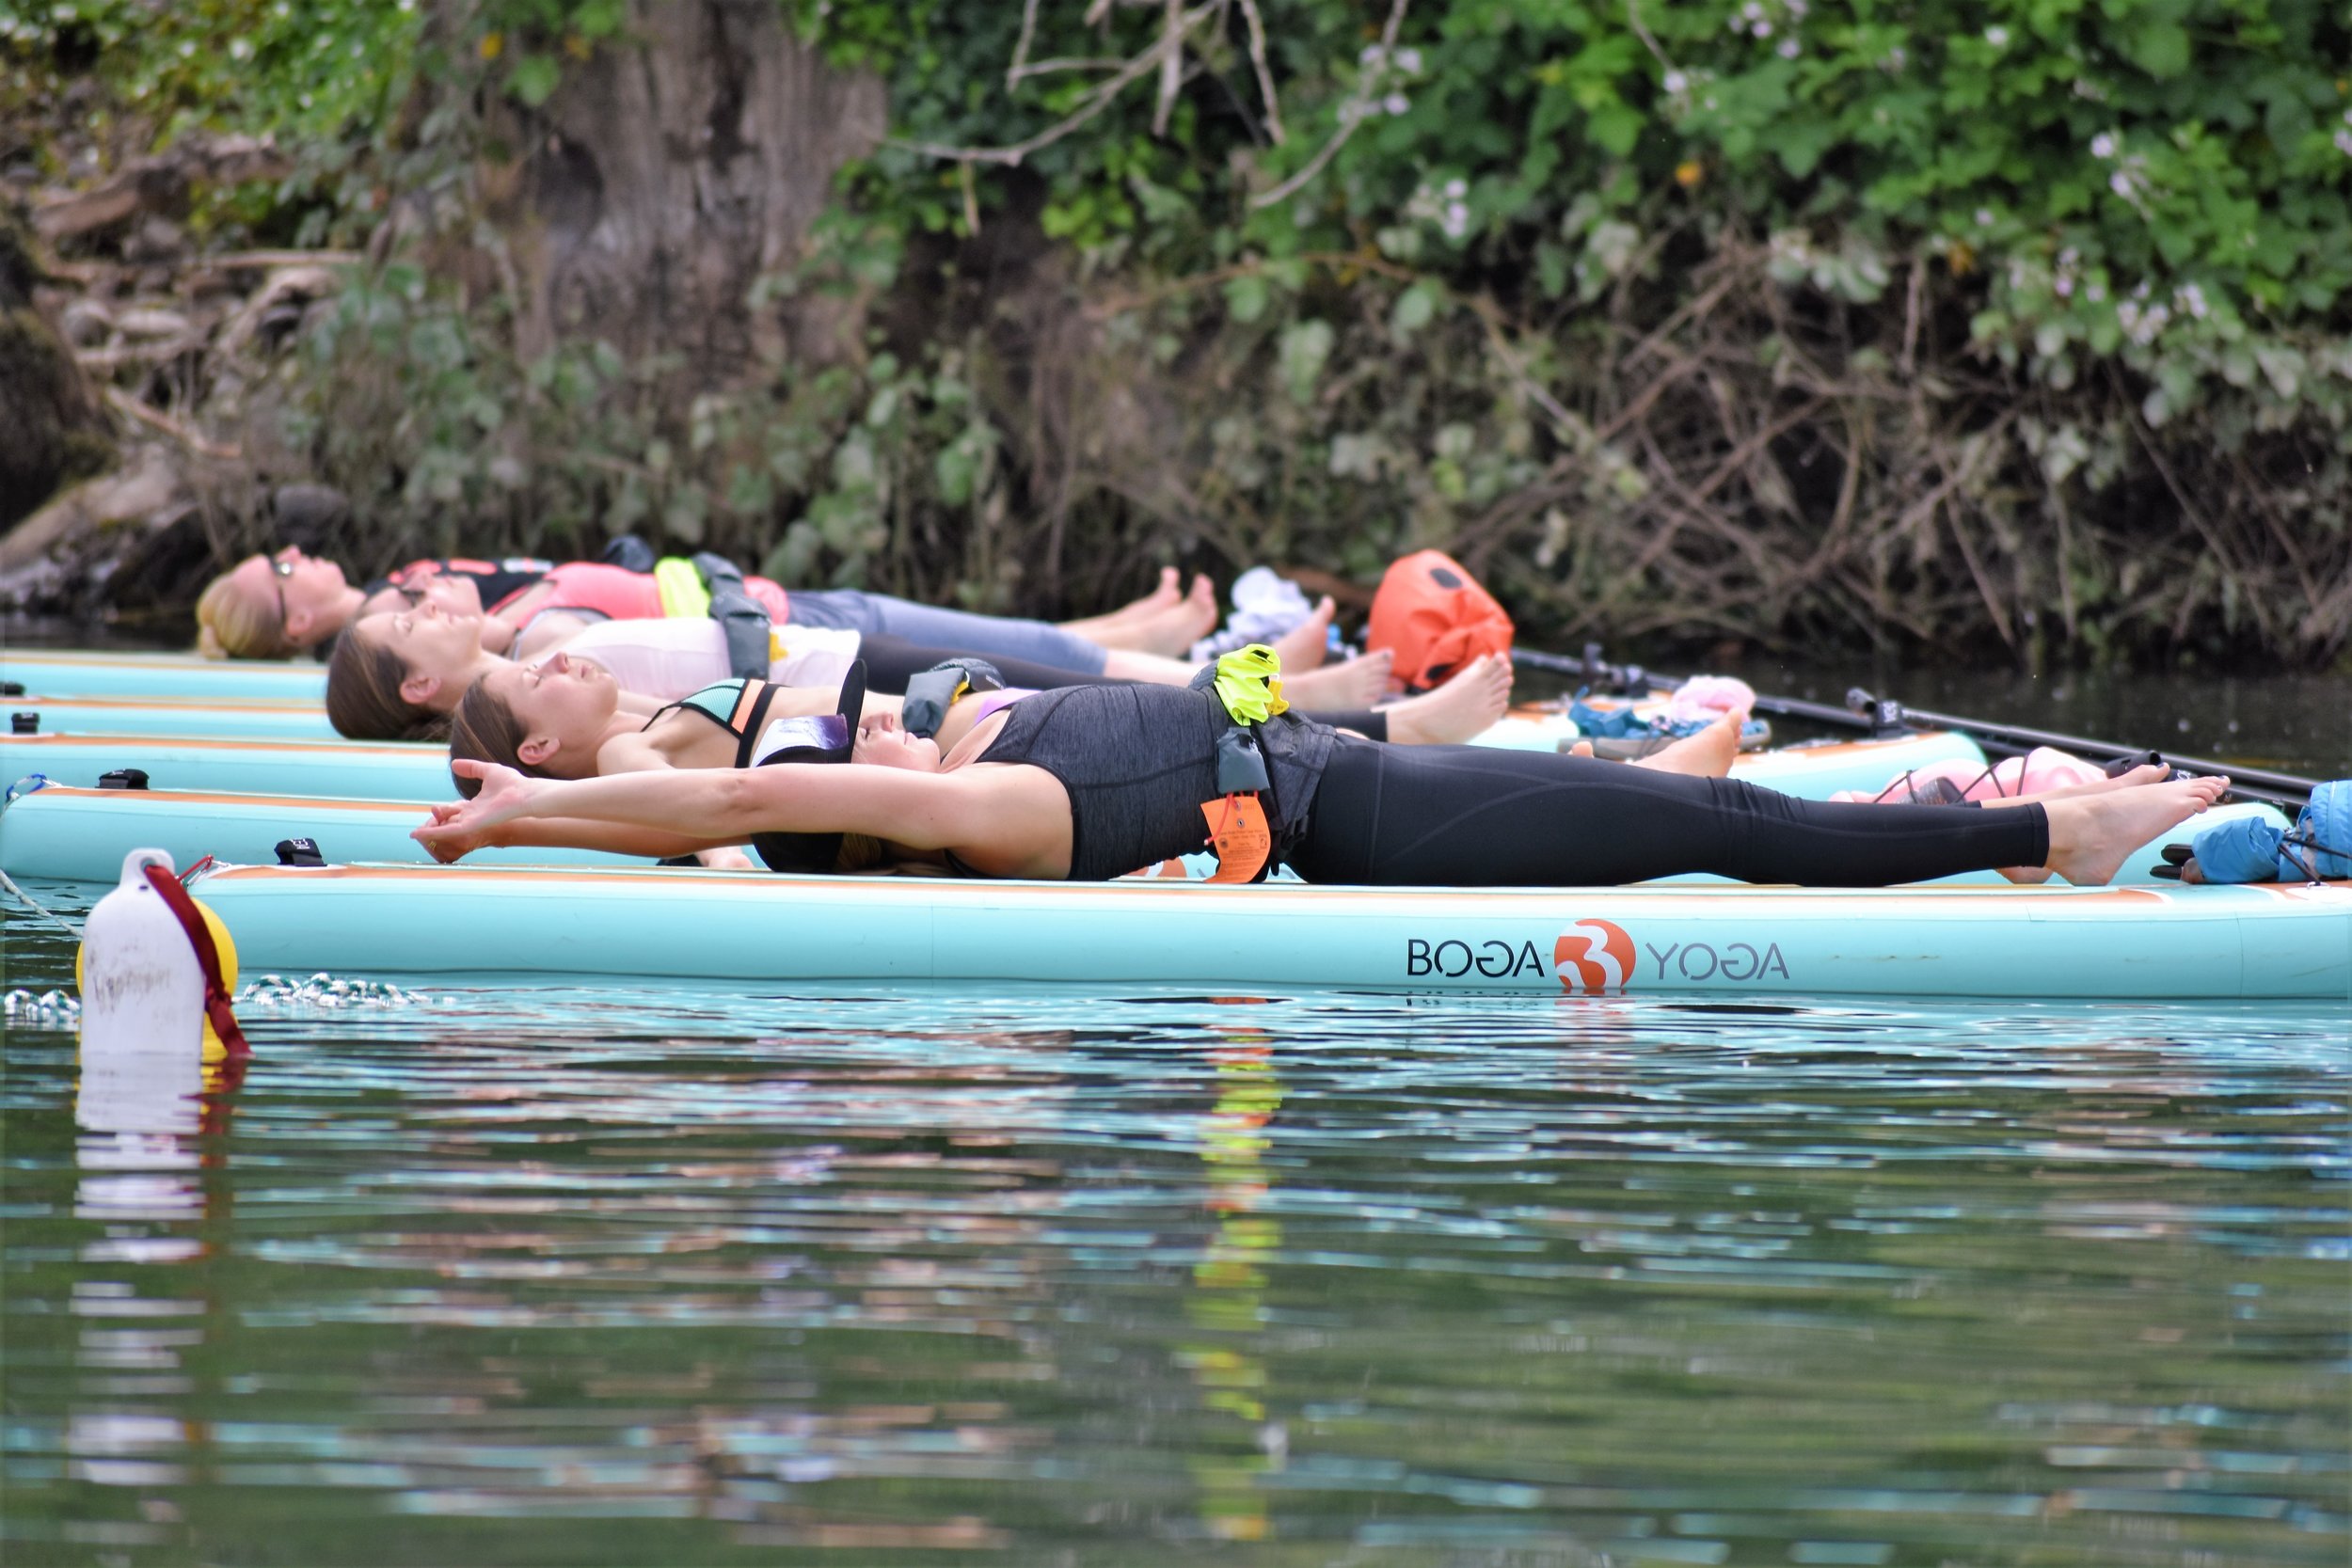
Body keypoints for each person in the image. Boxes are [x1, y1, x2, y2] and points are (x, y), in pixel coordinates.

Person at [415, 657, 2227, 889]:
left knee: (1703, 809)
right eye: (856, 747)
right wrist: (528, 816)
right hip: (1360, 821)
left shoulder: (978, 740)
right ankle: (2056, 831)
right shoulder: (981, 807)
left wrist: (1368, 683)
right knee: (1724, 834)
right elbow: (732, 806)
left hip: (1353, 761)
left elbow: (1174, 685)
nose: (880, 717)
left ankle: (1997, 831)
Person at [325, 582, 1404, 741]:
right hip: (850, 675)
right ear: (418, 684)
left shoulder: (533, 648)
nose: (423, 597)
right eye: (406, 617)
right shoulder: (540, 674)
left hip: (845, 652)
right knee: (1106, 696)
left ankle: (1305, 697)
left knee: (1105, 688)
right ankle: (1323, 708)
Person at [196, 544, 1222, 666]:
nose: (294, 552)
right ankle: (1185, 655)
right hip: (787, 629)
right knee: (1032, 652)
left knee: (1037, 645)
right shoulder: (411, 613)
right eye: (278, 572)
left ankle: (1150, 634)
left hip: (765, 606)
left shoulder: (433, 601)